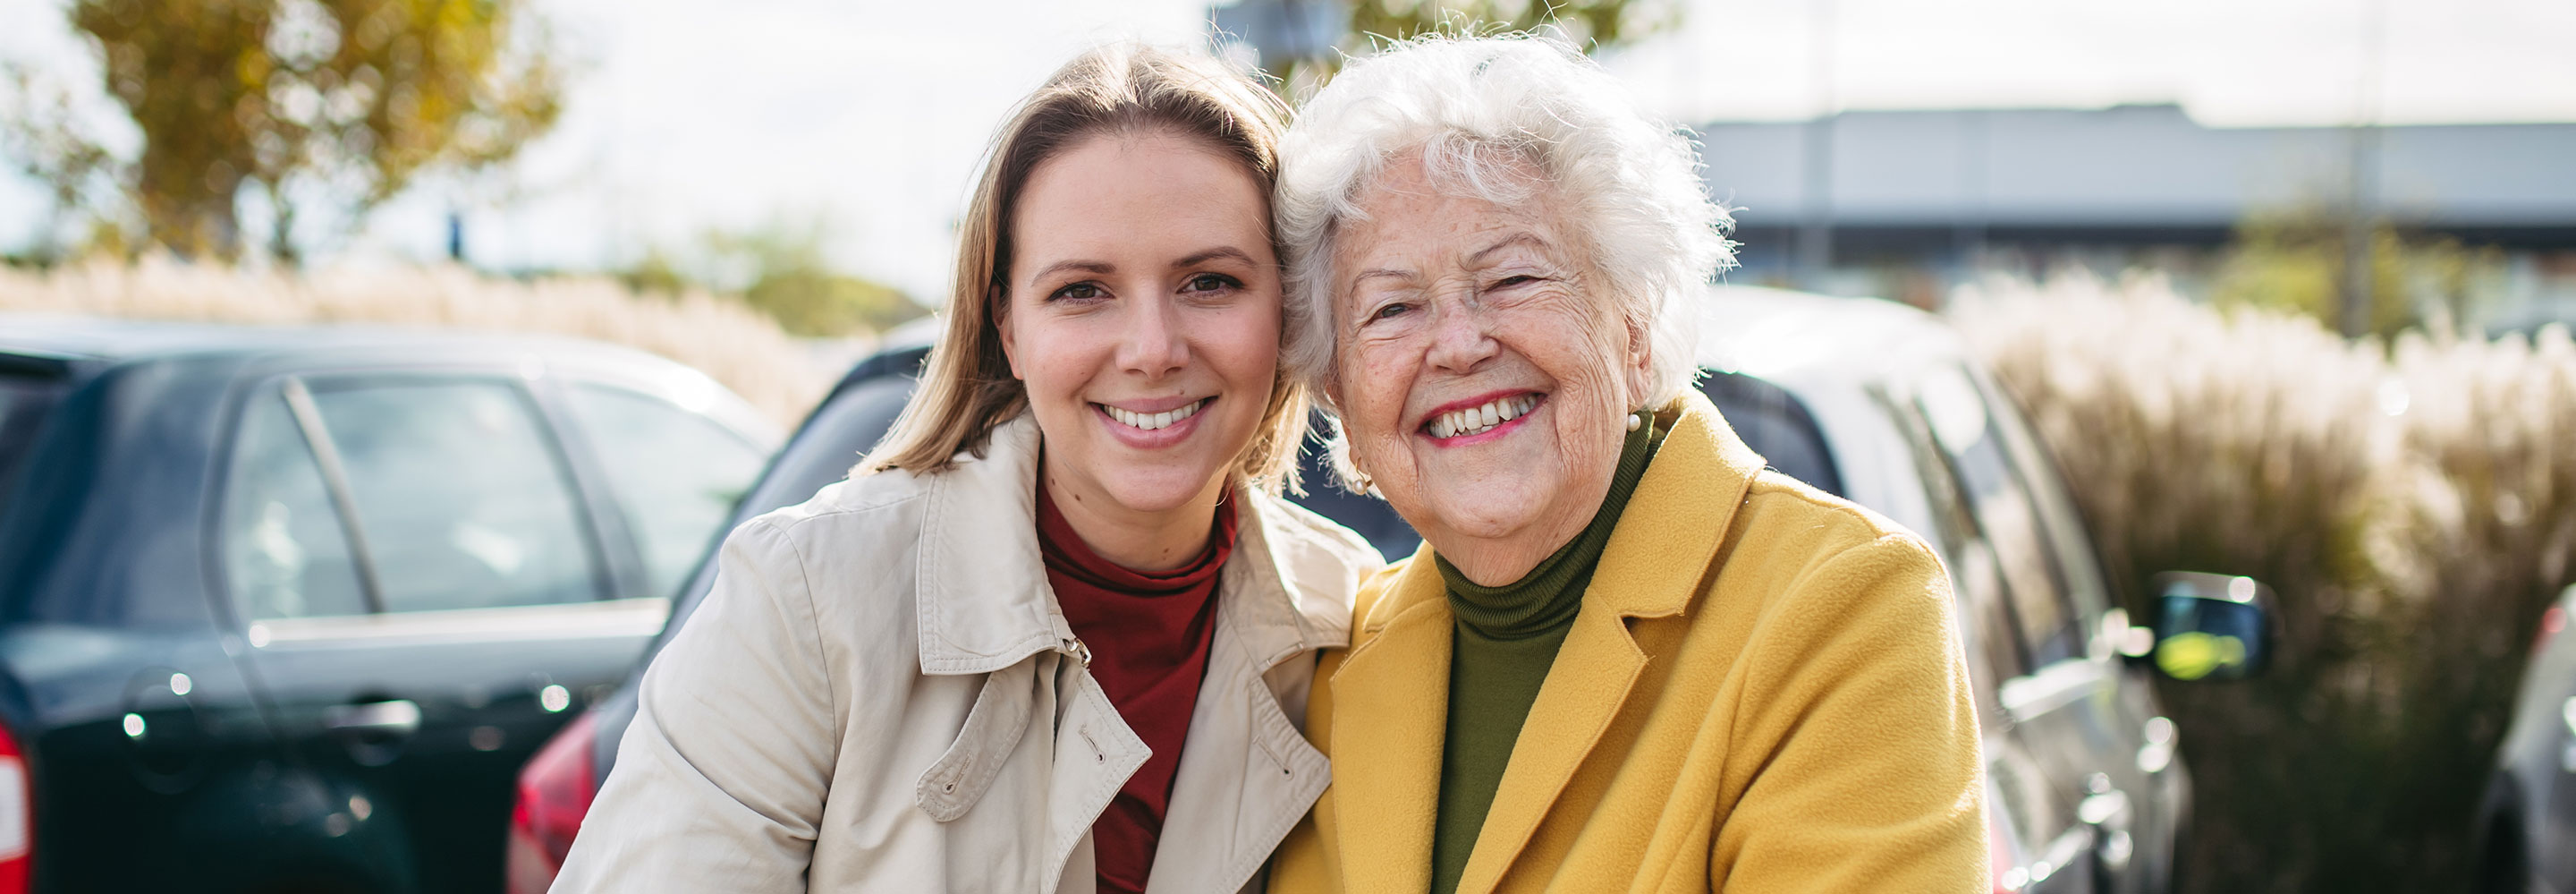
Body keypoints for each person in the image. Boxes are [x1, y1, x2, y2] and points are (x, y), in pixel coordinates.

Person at [552, 44, 1381, 894]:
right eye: (1082, 291)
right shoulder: (809, 596)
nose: (1152, 350)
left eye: (1208, 281)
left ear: (1283, 307)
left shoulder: (1349, 618)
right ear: (1008, 327)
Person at [1265, 36, 1988, 893]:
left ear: (1635, 327)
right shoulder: (1327, 668)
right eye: (1391, 307)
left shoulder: (1840, 605)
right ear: (1341, 398)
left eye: (1512, 279)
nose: (1457, 344)